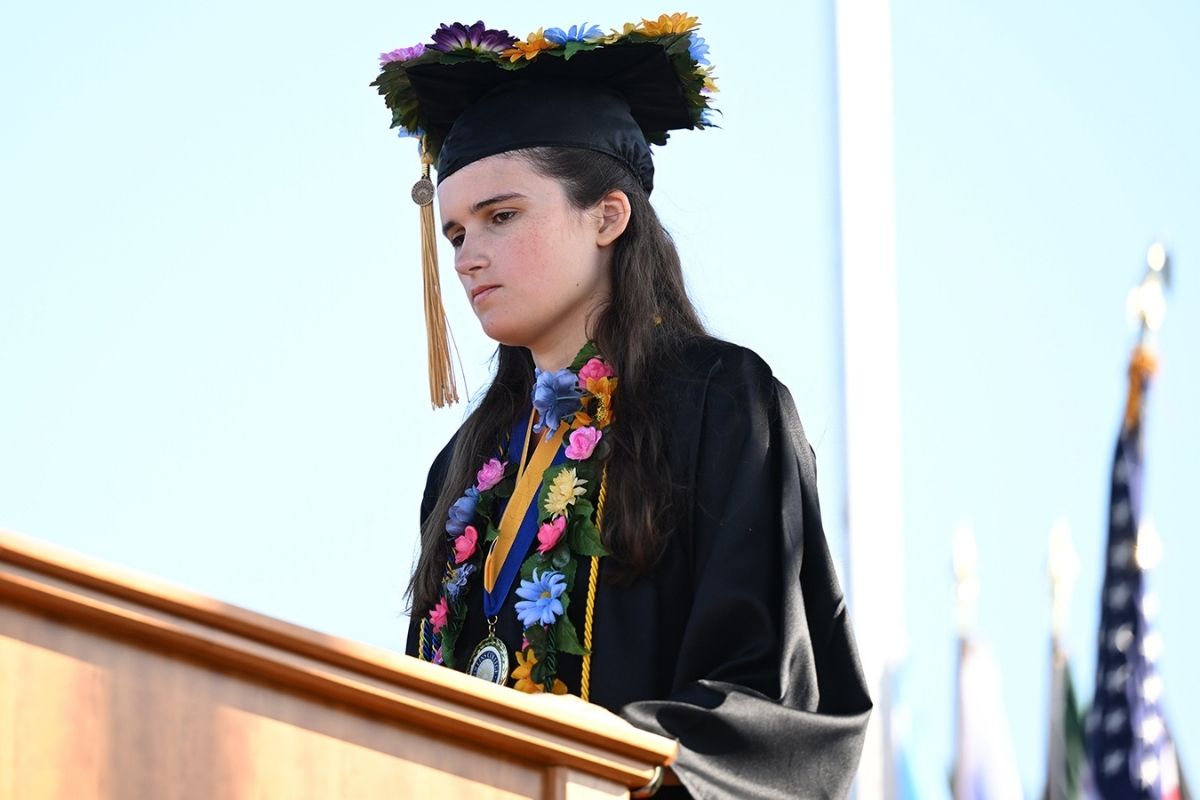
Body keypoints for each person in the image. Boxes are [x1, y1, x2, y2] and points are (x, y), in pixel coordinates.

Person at [374, 15, 871, 798]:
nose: (469, 254)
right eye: (456, 232)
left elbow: (770, 699)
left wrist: (583, 760)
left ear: (609, 215)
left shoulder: (719, 404)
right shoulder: (465, 470)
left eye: (502, 217)